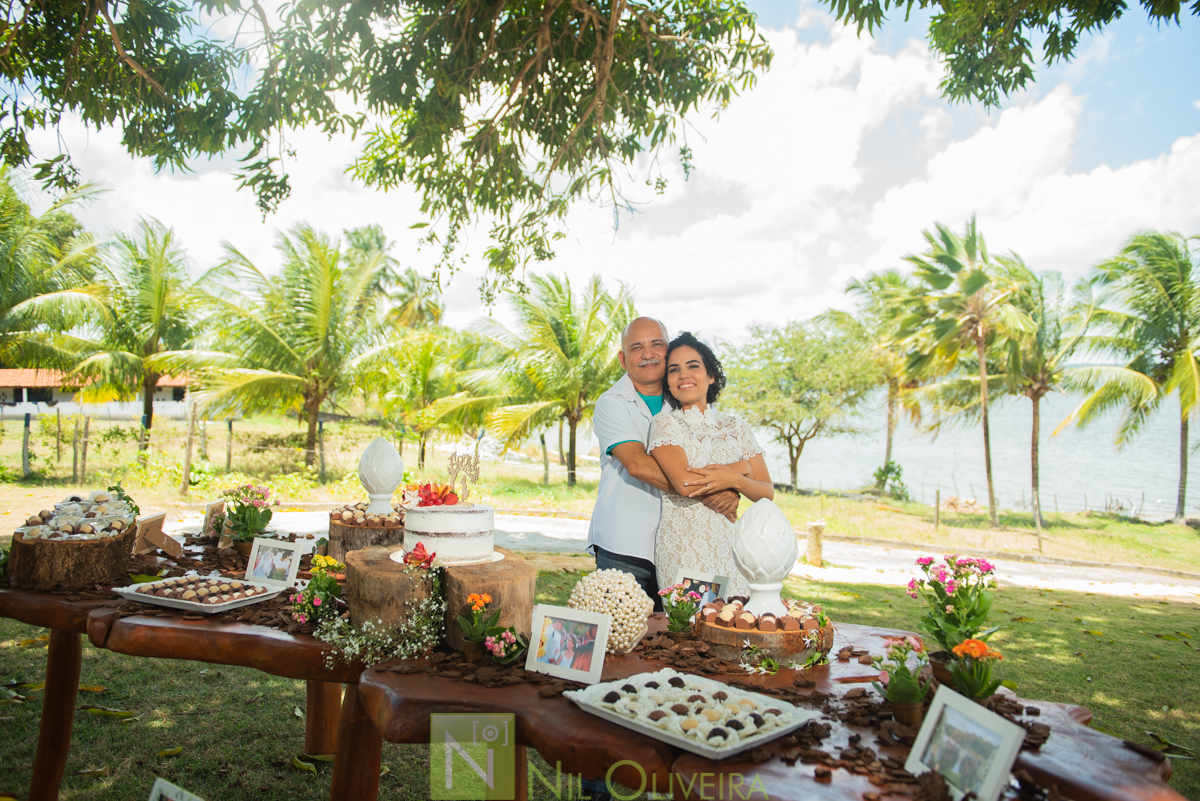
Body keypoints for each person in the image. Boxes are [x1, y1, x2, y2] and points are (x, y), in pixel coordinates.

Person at [588, 317, 740, 608]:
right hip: (626, 545)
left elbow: (722, 458)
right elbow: (637, 464)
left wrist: (731, 484)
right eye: (637, 347)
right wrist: (712, 492)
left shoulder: (688, 400)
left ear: (668, 351)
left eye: (656, 344)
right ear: (623, 358)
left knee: (692, 633)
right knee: (623, 637)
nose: (648, 354)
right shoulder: (611, 403)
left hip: (688, 543)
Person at [648, 332, 775, 598]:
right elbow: (684, 483)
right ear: (668, 382)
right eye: (674, 370)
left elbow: (766, 492)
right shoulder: (665, 424)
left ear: (711, 376)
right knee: (692, 631)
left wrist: (736, 482)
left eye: (693, 366)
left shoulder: (737, 427)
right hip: (686, 548)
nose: (683, 375)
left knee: (735, 626)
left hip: (734, 548)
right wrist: (742, 468)